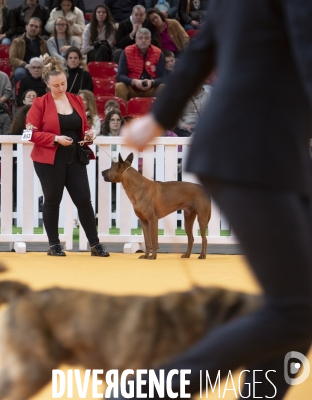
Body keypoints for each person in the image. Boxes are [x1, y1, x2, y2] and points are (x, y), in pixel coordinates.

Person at [117, 1, 312, 399]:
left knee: (297, 307)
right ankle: (141, 393)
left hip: (263, 149)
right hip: (253, 150)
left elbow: (203, 48)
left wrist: (159, 117)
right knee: (294, 308)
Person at [26, 57, 109, 257]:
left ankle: (95, 244)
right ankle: (54, 245)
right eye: (55, 85)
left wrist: (89, 133)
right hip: (49, 159)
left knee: (84, 200)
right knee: (52, 200)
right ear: (47, 84)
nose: (61, 88)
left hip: (74, 156)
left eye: (63, 83)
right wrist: (55, 138)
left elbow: (83, 126)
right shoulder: (39, 103)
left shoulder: (76, 99)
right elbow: (29, 134)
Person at [115, 27, 166, 103]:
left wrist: (151, 82)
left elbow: (163, 77)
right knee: (119, 86)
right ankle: (122, 113)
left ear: (150, 41)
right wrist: (134, 82)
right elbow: (120, 76)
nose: (143, 41)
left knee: (163, 87)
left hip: (150, 89)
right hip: (132, 88)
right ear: (136, 40)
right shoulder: (127, 51)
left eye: (146, 38)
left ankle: (160, 114)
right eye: (140, 38)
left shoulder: (158, 53)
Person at [9, 17, 48, 82]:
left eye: (36, 27)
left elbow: (46, 58)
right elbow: (12, 59)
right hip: (23, 67)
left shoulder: (43, 42)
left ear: (39, 30)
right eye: (31, 25)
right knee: (19, 73)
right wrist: (25, 65)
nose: (33, 28)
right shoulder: (16, 41)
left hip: (39, 67)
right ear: (26, 27)